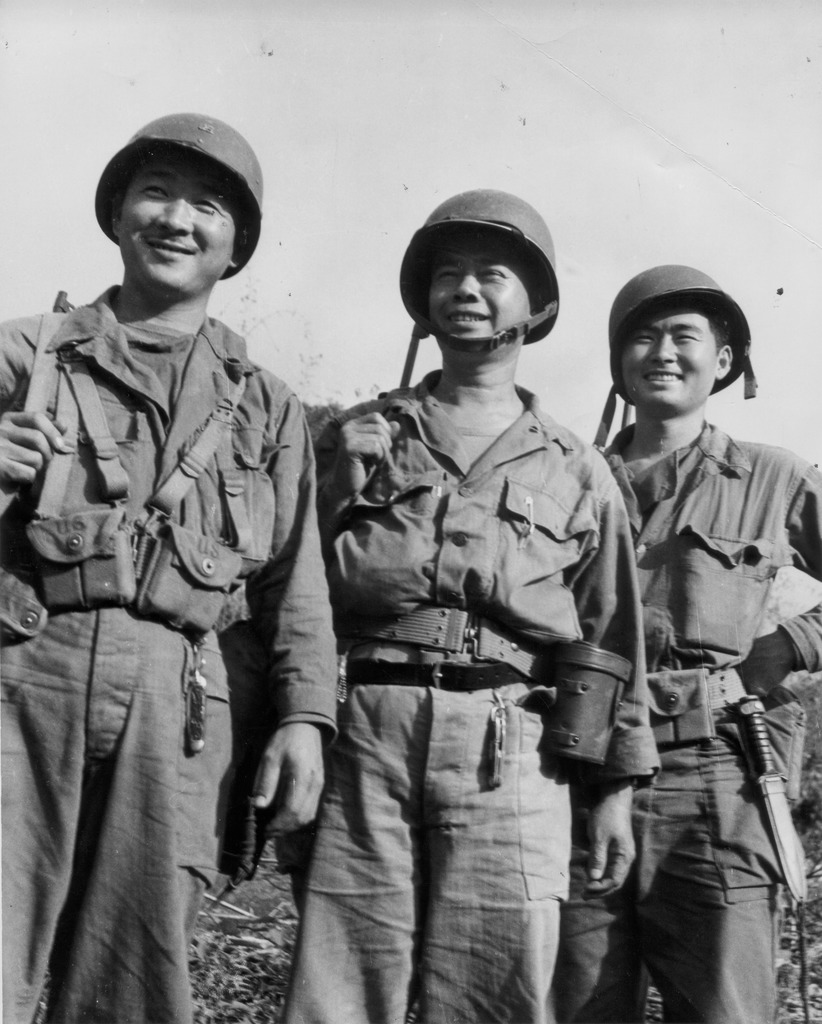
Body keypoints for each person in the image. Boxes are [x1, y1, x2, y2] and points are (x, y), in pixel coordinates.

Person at [283, 190, 658, 1024]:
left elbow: (609, 636)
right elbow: (290, 586)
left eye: (493, 274)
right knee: (338, 988)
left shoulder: (579, 469)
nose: (467, 289)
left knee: (496, 990)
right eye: (447, 273)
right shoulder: (358, 436)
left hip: (512, 741)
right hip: (366, 728)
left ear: (537, 306)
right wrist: (335, 482)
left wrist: (613, 794)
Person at [0, 113, 337, 1024]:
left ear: (235, 248)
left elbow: (293, 584)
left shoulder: (267, 407)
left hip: (180, 705)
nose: (177, 221)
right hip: (22, 674)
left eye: (209, 207)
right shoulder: (23, 354)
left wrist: (305, 717)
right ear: (117, 213)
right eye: (156, 194)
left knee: (134, 982)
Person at [553, 265, 822, 1024]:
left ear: (725, 362)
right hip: (578, 774)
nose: (662, 351)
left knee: (723, 1011)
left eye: (684, 336)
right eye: (642, 334)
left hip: (717, 778)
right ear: (617, 362)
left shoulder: (774, 478)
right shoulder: (567, 477)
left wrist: (791, 647)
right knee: (578, 1006)